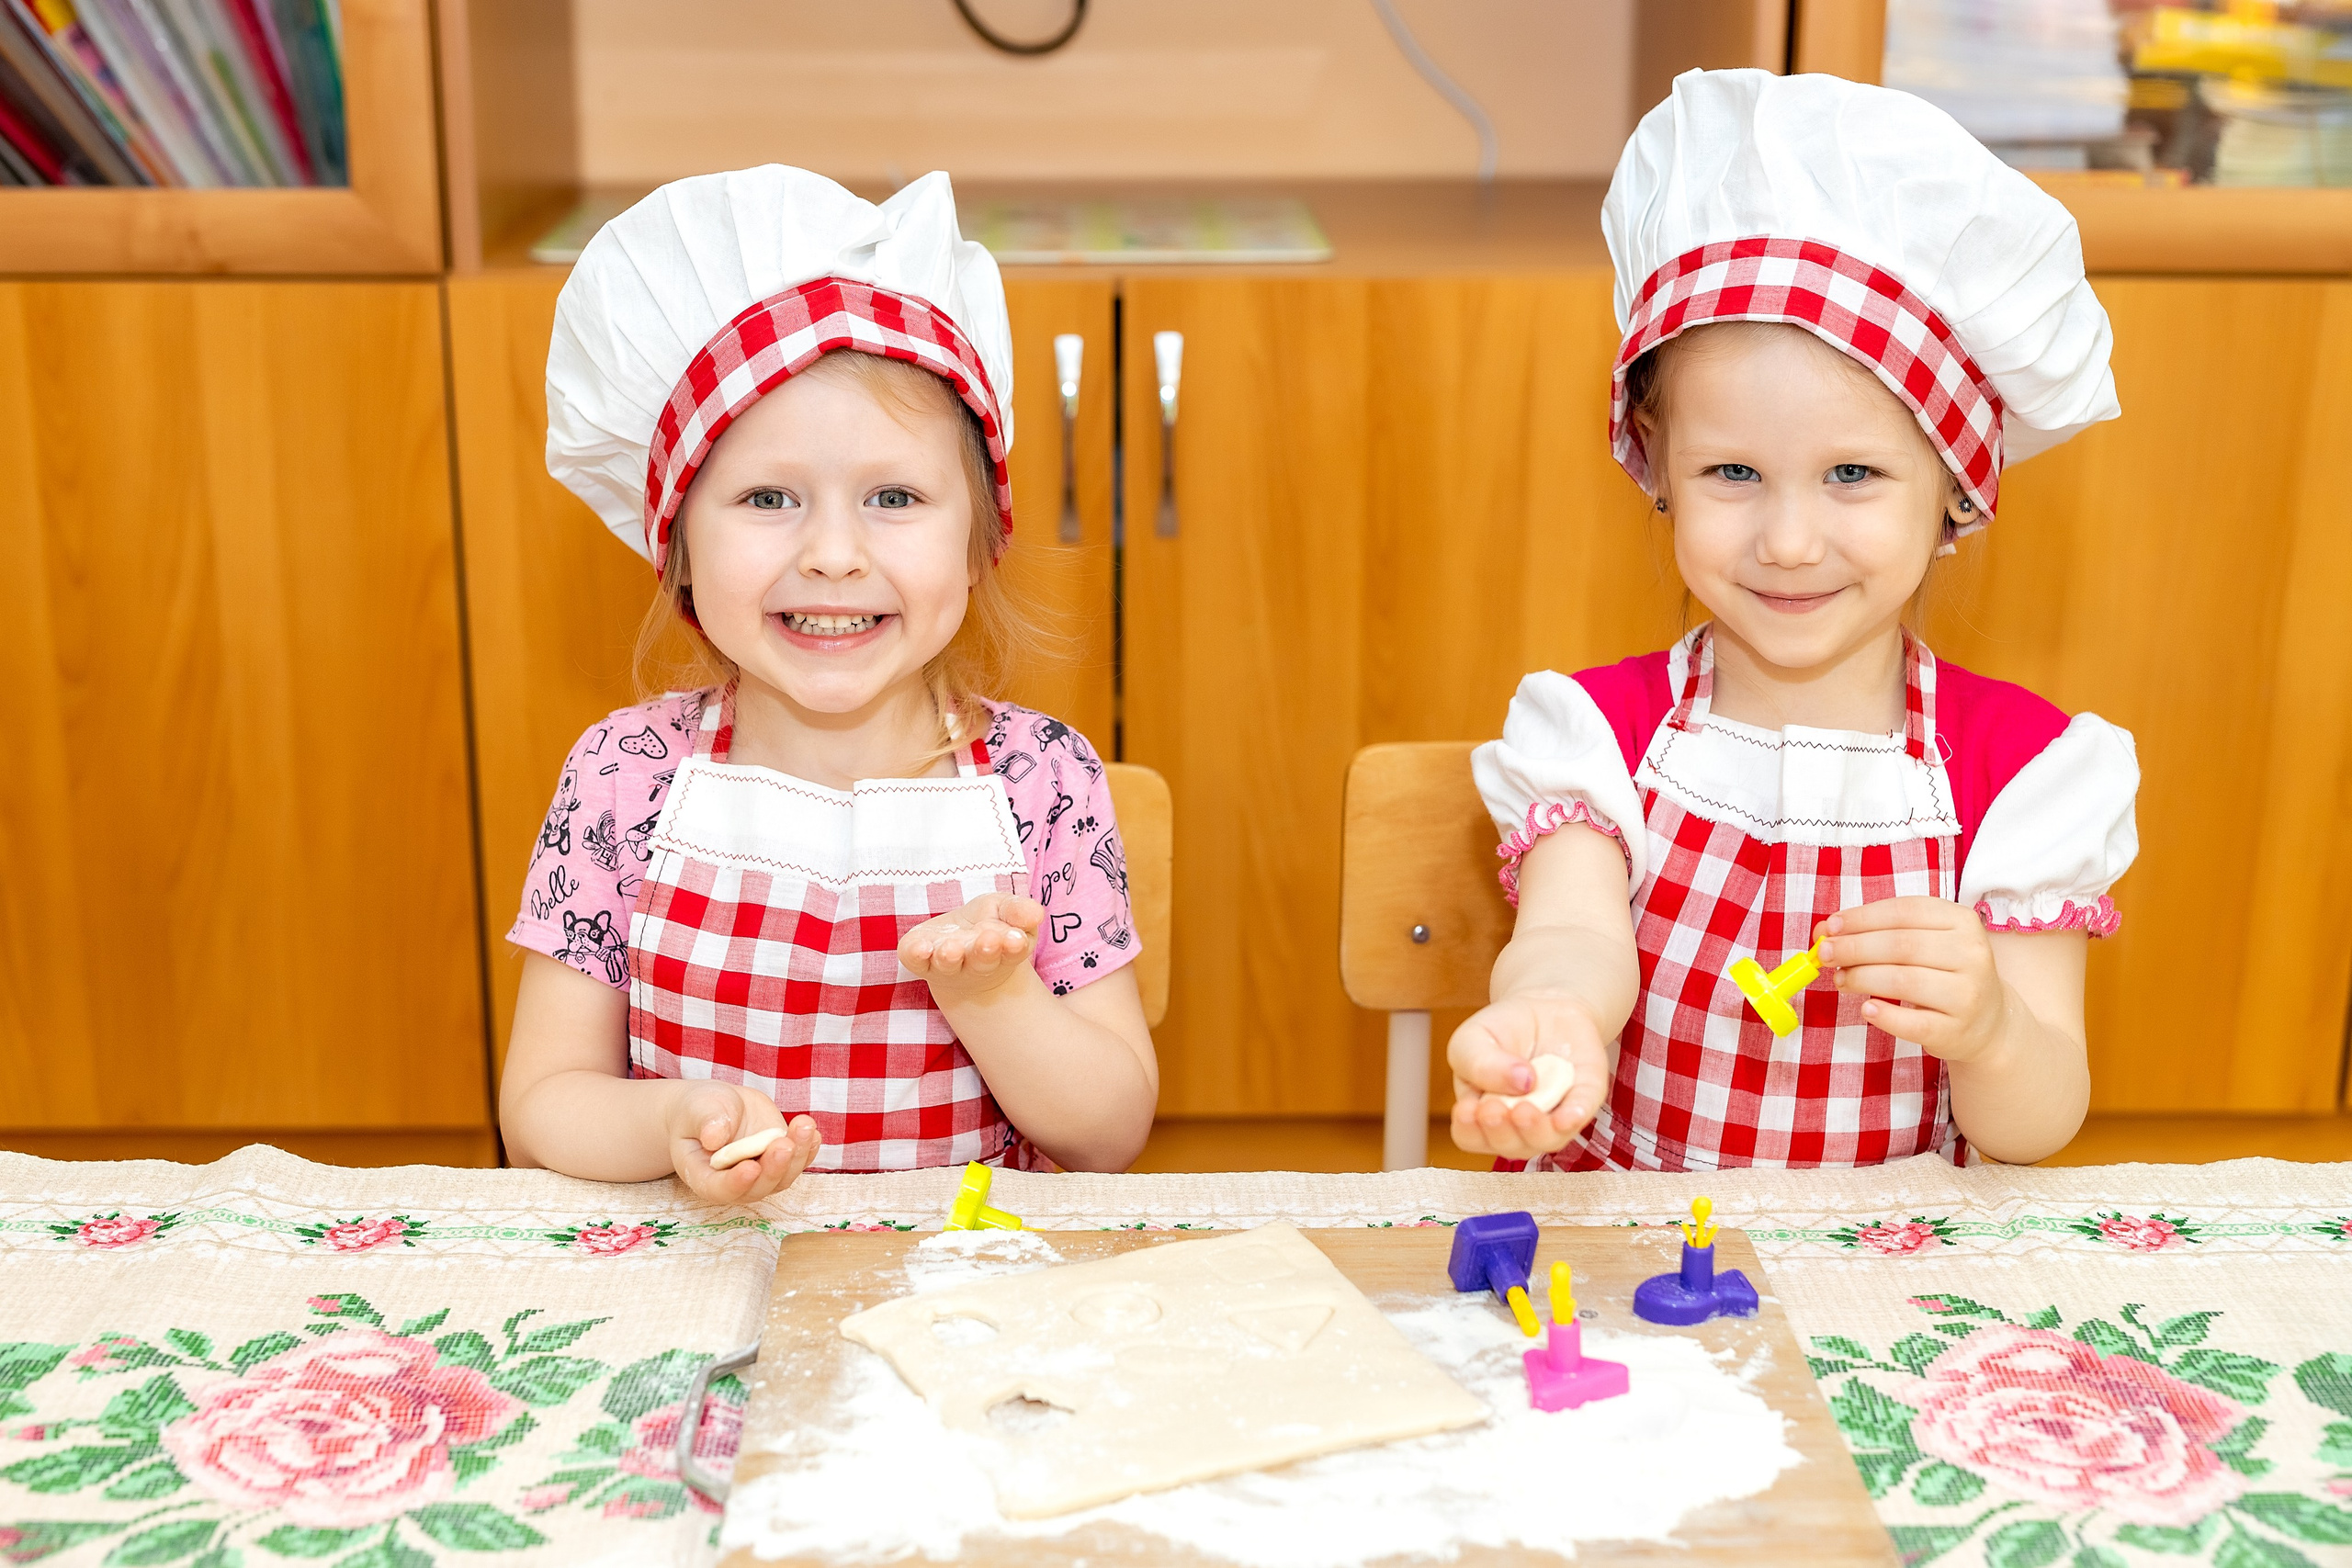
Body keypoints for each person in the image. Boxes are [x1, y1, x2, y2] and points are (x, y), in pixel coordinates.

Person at [1453, 70, 2138, 1172]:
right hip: (1634, 1266)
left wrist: (1994, 1032)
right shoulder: (1594, 739)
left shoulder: (2025, 778)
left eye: (1852, 475)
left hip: (1885, 1293)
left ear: (1957, 489)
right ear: (1655, 471)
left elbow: (2038, 1122)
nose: (1786, 540)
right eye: (1733, 471)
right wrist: (1554, 1018)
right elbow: (1574, 935)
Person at [499, 167, 1157, 1199]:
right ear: (676, 547)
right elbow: (541, 1106)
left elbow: (1108, 1136)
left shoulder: (1044, 780)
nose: (835, 555)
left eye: (894, 496)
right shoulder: (622, 776)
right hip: (693, 1274)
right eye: (769, 497)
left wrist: (994, 998)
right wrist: (670, 1118)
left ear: (981, 538)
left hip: (958, 1294)